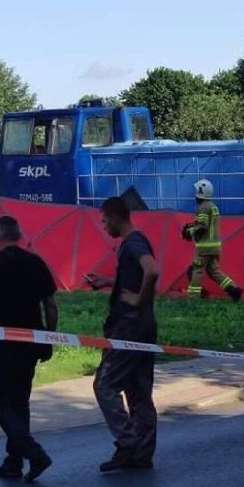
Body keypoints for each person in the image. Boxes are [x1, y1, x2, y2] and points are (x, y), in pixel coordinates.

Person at [0, 216, 57, 483]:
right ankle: (13, 462)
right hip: (30, 343)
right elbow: (50, 304)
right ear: (19, 236)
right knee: (20, 402)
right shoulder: (35, 263)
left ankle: (34, 453)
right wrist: (49, 337)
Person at [85, 197, 160, 472]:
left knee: (104, 385)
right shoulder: (132, 244)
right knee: (138, 390)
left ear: (116, 217)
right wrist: (110, 283)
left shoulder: (134, 242)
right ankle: (143, 452)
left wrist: (139, 300)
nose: (104, 227)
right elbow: (138, 276)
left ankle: (127, 443)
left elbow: (152, 270)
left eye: (104, 221)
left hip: (128, 327)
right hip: (143, 326)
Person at [182, 178, 243, 301]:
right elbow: (206, 224)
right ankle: (233, 290)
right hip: (215, 247)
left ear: (200, 193)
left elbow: (203, 226)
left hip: (205, 247)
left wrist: (190, 231)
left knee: (196, 270)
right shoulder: (213, 206)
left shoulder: (203, 207)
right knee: (214, 271)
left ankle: (193, 298)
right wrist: (193, 224)